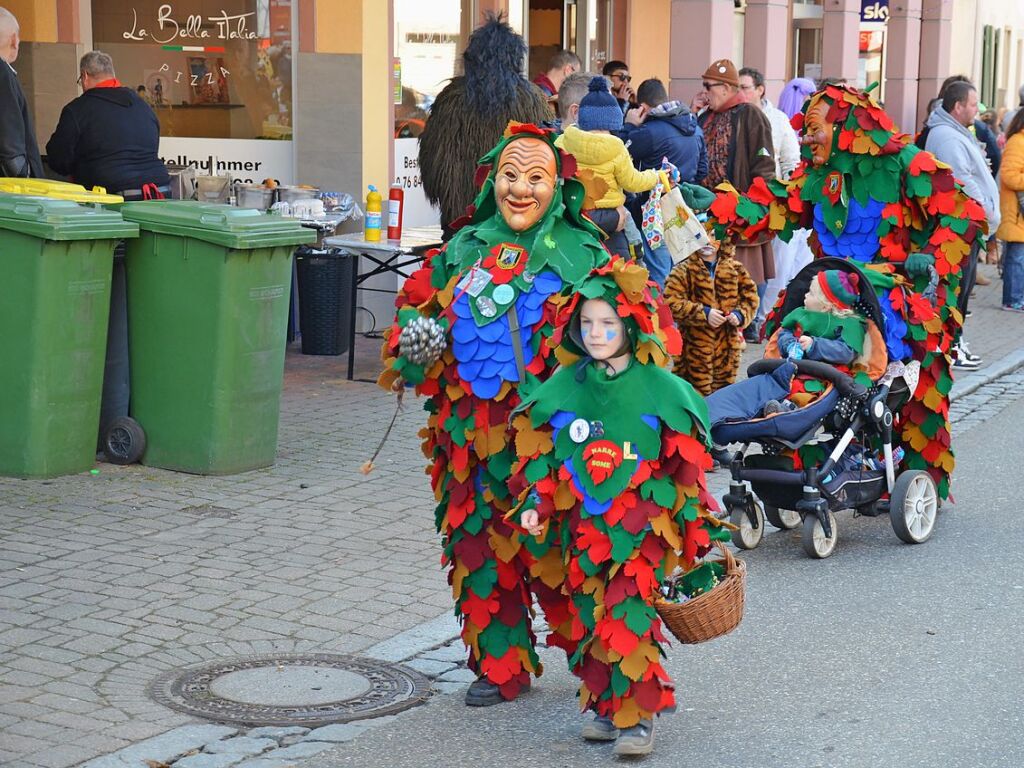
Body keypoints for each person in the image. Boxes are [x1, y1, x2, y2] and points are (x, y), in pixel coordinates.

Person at [380, 123, 611, 708]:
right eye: (510, 175)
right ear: (492, 182)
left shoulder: (582, 254)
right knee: (479, 551)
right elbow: (416, 317)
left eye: (536, 178)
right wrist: (414, 345)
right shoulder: (463, 248)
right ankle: (501, 667)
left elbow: (625, 332)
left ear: (557, 188)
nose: (520, 189)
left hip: (547, 438)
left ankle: (603, 672)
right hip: (466, 437)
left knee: (562, 553)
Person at [513, 258, 725, 757]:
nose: (596, 332)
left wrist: (692, 522)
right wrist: (537, 501)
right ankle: (608, 704)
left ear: (631, 325)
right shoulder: (569, 383)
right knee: (589, 611)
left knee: (627, 608)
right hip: (585, 523)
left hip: (639, 522)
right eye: (586, 323)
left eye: (608, 322)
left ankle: (639, 716)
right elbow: (544, 451)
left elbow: (686, 462)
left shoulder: (660, 387)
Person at [419, 13, 551, 240]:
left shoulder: (451, 99)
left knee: (457, 275)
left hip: (459, 223)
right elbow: (547, 160)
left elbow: (431, 164)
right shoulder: (534, 101)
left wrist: (452, 198)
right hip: (514, 221)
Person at [693, 58, 775, 342]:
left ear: (727, 88)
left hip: (740, 209)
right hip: (707, 210)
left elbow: (765, 164)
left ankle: (747, 321)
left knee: (745, 270)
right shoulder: (705, 116)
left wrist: (753, 206)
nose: (704, 92)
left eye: (709, 86)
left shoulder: (750, 115)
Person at [924, 80, 1000, 370]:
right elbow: (961, 181)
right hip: (960, 225)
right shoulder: (946, 136)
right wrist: (986, 211)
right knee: (957, 291)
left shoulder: (955, 132)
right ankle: (952, 346)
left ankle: (956, 343)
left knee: (963, 290)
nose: (976, 110)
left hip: (967, 225)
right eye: (972, 104)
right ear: (957, 107)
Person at [555, 77, 662, 258]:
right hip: (611, 219)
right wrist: (656, 176)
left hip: (575, 211)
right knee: (621, 264)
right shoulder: (616, 147)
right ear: (613, 122)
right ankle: (638, 254)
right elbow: (633, 182)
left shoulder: (563, 141)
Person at [46, 51, 170, 198]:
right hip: (159, 191)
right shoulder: (143, 106)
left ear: (85, 76)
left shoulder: (78, 109)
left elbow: (58, 160)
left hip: (113, 198)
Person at [663, 231, 759, 397]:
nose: (707, 242)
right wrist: (703, 313)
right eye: (700, 236)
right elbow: (671, 302)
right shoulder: (682, 270)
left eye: (714, 236)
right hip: (692, 350)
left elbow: (751, 298)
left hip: (726, 349)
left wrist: (740, 314)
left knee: (723, 395)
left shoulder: (736, 269)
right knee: (692, 394)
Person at [0, 7, 42, 177]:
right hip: (11, 194)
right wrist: (24, 175)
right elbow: (11, 148)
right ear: (14, 40)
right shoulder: (3, 73)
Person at [738, 67, 799, 181]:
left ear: (760, 90)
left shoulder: (779, 119)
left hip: (770, 191)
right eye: (736, 89)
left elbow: (790, 161)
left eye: (744, 88)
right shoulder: (732, 118)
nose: (739, 93)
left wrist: (787, 191)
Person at [996, 109, 1024, 311]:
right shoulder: (1017, 142)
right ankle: (1012, 299)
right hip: (1016, 211)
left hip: (1019, 211)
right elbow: (1009, 176)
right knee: (1016, 257)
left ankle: (1017, 297)